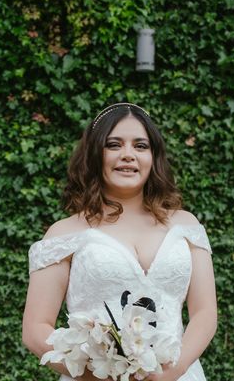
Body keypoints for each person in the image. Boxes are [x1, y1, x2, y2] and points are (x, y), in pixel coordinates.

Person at [22, 103, 217, 381]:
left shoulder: (187, 225)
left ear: (153, 156)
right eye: (114, 145)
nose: (128, 155)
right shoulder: (63, 234)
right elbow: (35, 329)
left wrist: (171, 372)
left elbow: (205, 312)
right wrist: (102, 374)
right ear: (94, 154)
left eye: (140, 146)